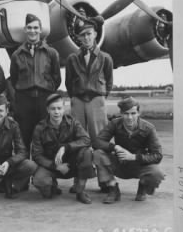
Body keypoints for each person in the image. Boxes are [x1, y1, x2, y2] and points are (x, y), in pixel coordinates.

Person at [65, 15, 113, 193]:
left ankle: (105, 179)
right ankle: (79, 180)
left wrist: (99, 97)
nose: (86, 38)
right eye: (82, 35)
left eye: (89, 34)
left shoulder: (106, 58)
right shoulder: (72, 59)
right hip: (78, 100)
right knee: (78, 140)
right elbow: (68, 83)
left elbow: (109, 81)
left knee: (100, 140)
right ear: (78, 37)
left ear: (95, 34)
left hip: (96, 100)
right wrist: (76, 98)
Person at [93, 96, 165, 203]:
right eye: (126, 113)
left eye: (133, 113)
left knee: (157, 173)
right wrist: (115, 147)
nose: (130, 117)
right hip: (120, 163)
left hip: (139, 165)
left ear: (138, 113)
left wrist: (133, 157)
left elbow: (158, 155)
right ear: (121, 114)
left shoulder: (148, 128)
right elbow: (97, 142)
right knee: (98, 154)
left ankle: (143, 187)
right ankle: (113, 189)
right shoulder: (115, 123)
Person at [31, 93, 96, 204]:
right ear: (47, 110)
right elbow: (37, 155)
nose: (56, 112)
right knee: (40, 182)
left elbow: (86, 139)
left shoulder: (73, 122)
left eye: (59, 108)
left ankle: (80, 191)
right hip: (52, 165)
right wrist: (56, 166)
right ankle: (52, 186)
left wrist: (66, 147)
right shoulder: (40, 128)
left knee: (87, 153)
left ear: (64, 108)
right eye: (53, 109)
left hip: (72, 164)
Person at [10, 13, 61, 149]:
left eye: (35, 28)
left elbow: (57, 78)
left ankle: (45, 167)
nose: (32, 31)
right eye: (29, 28)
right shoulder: (17, 55)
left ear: (40, 29)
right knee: (24, 138)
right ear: (25, 30)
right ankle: (25, 167)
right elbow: (14, 79)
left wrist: (45, 91)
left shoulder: (51, 53)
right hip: (24, 101)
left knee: (47, 137)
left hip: (44, 100)